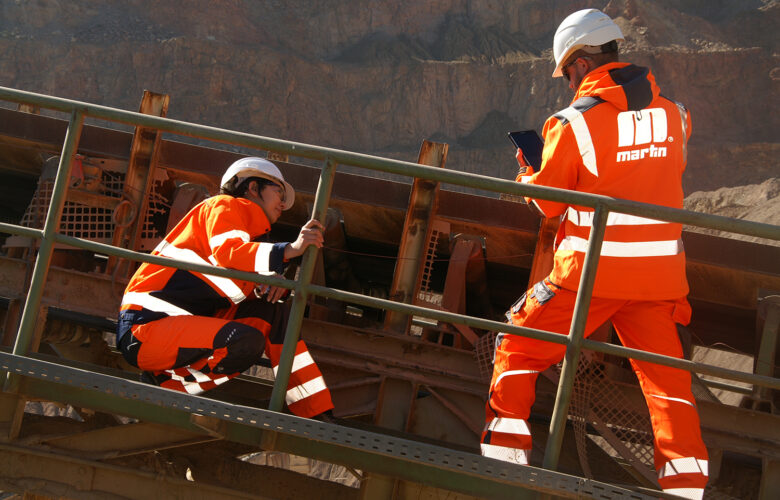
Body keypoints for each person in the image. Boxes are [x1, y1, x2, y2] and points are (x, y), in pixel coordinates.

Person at [480, 9, 708, 499]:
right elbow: (660, 172)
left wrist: (529, 170)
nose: (566, 83)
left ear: (581, 64)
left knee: (516, 345)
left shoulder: (572, 123)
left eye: (565, 72)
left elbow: (549, 203)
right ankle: (686, 488)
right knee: (667, 386)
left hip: (590, 277)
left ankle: (503, 462)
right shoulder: (678, 114)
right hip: (659, 281)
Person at [116, 156, 334, 418]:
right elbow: (228, 253)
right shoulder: (224, 206)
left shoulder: (249, 236)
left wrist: (275, 285)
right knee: (243, 342)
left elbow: (234, 281)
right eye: (278, 192)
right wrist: (290, 249)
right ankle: (164, 384)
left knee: (276, 315)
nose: (284, 204)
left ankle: (314, 412)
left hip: (180, 327)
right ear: (253, 187)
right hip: (146, 329)